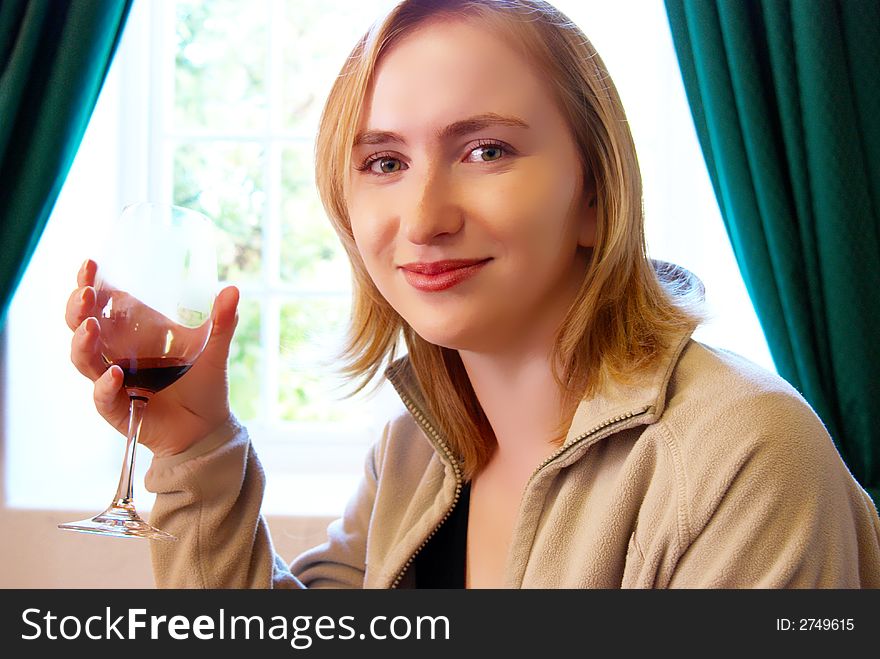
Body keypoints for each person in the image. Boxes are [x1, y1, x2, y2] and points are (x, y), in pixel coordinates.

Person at [65, 0, 880, 588]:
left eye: (487, 150)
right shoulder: (414, 448)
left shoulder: (748, 457)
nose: (424, 217)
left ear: (596, 195)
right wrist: (197, 446)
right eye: (385, 162)